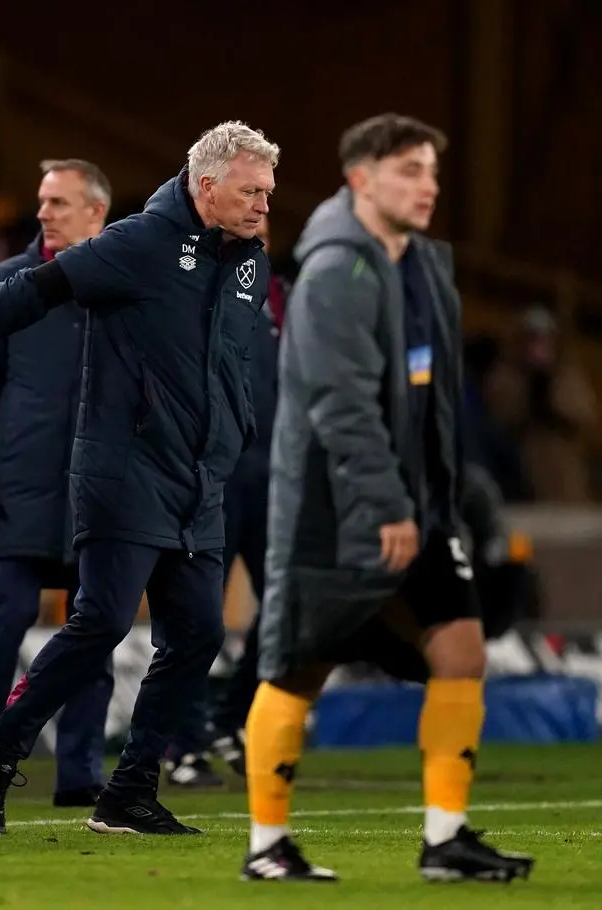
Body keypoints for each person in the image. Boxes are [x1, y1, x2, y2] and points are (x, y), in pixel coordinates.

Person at [0, 121, 277, 836]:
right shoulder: (139, 243)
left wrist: (236, 436)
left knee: (197, 632)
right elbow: (32, 291)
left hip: (198, 480)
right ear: (208, 186)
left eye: (268, 195)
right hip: (126, 470)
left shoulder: (248, 260)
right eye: (251, 192)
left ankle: (129, 790)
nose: (263, 207)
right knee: (100, 621)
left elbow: (235, 364)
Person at [242, 113, 533, 883]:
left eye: (432, 171)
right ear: (360, 180)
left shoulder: (424, 265)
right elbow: (340, 404)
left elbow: (428, 401)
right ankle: (267, 848)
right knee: (298, 669)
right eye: (410, 170)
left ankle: (446, 841)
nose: (428, 185)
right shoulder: (338, 271)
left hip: (417, 509)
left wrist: (439, 502)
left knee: (461, 651)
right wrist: (385, 506)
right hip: (336, 514)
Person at [0, 159, 115, 808]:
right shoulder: (10, 283)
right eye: (43, 202)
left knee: (92, 630)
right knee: (8, 612)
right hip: (20, 485)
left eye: (59, 202)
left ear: (96, 213)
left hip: (96, 490)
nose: (43, 212)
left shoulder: (118, 286)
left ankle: (78, 774)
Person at [167, 214, 287, 788]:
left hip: (271, 479)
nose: (257, 219)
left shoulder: (280, 295)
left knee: (288, 607)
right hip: (211, 474)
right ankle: (184, 742)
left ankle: (230, 717)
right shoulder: (193, 279)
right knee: (195, 612)